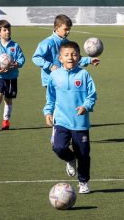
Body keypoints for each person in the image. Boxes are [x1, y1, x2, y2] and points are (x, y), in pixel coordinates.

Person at [32, 14, 100, 143]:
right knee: (58, 104)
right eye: (65, 29)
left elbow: (74, 58)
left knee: (66, 104)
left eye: (69, 29)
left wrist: (89, 60)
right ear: (57, 28)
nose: (68, 32)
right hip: (53, 79)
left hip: (67, 78)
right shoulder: (48, 42)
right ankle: (57, 132)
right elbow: (36, 57)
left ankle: (68, 131)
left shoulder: (65, 43)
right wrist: (50, 66)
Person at [43, 41, 97, 194]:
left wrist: (85, 106)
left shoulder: (84, 74)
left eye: (74, 55)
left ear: (79, 57)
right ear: (60, 58)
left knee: (84, 155)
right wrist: (48, 112)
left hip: (80, 123)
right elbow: (50, 98)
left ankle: (83, 181)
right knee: (58, 148)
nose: (70, 58)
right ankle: (69, 158)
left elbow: (92, 95)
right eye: (66, 55)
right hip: (61, 120)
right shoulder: (54, 75)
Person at [0, 20, 25, 130]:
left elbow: (21, 59)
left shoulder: (15, 46)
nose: (7, 32)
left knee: (8, 100)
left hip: (11, 77)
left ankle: (6, 121)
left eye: (8, 29)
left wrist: (17, 65)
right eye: (4, 30)